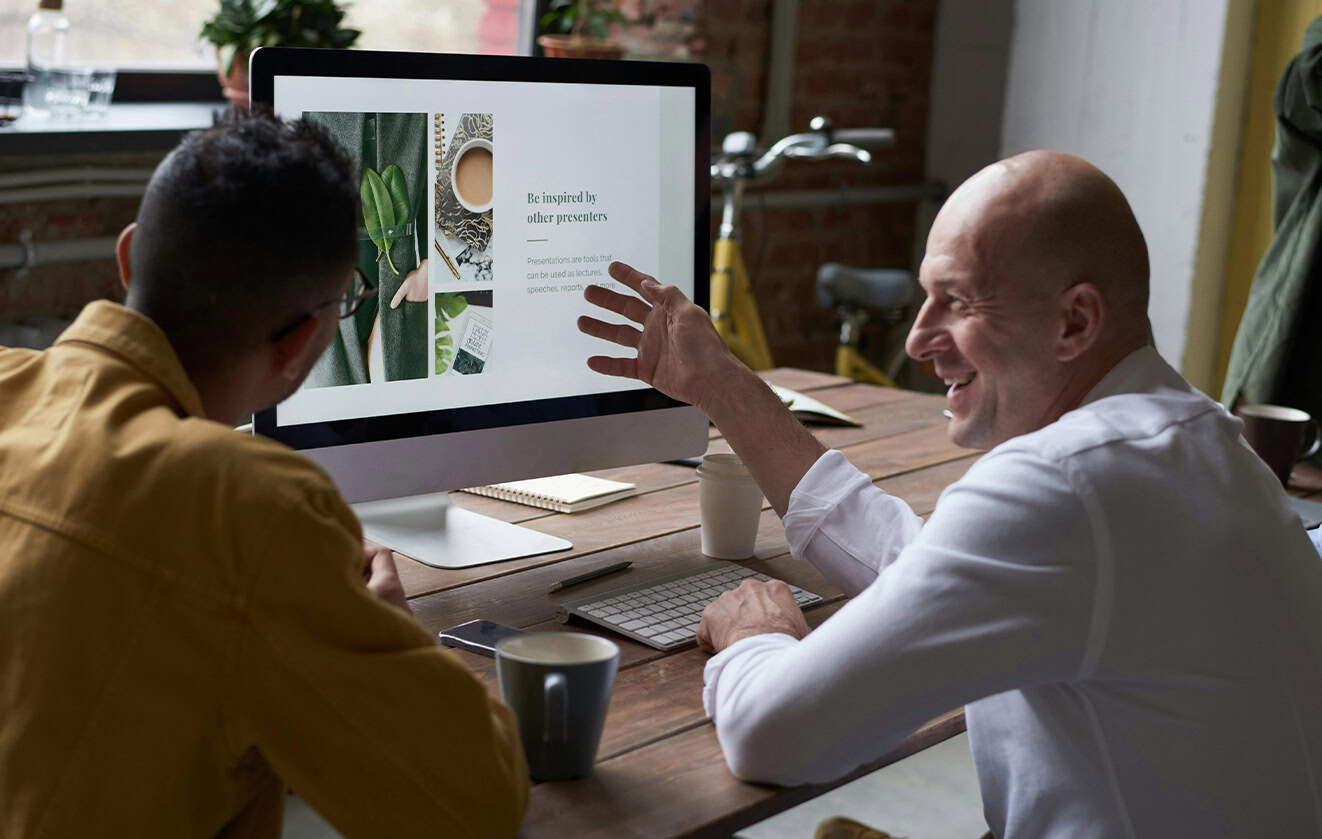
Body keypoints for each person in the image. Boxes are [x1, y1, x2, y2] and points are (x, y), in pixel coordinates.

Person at [578, 150, 1322, 837]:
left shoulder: (1064, 484)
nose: (916, 337)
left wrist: (756, 636)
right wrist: (719, 382)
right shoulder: (1200, 444)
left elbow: (771, 734)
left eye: (958, 301)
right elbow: (935, 567)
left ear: (1075, 320)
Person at [0, 111, 528, 838]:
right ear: (303, 342)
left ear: (127, 257)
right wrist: (388, 632)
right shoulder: (252, 510)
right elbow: (476, 804)